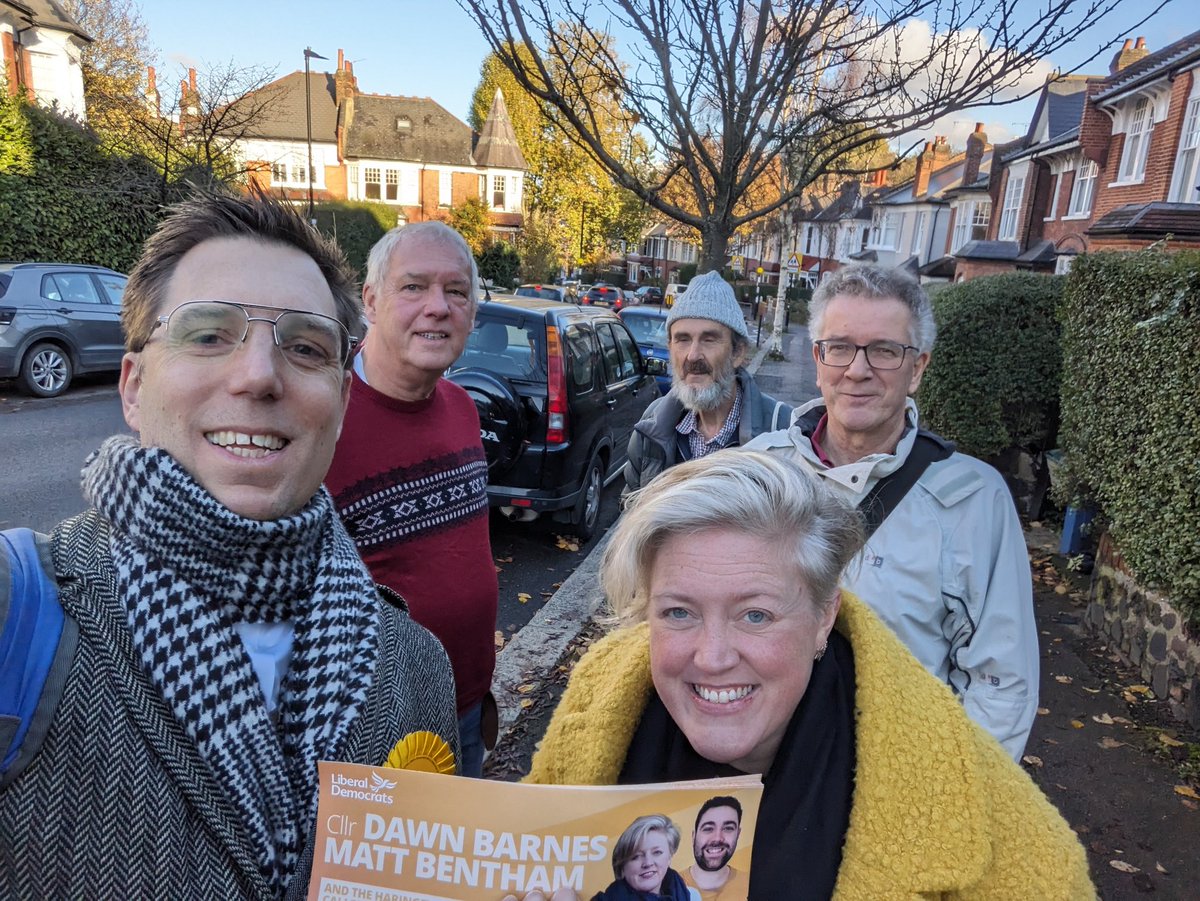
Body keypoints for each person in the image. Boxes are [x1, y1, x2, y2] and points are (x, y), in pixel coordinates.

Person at [0, 191, 459, 899]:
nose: (258, 375)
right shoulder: (18, 610)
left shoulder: (417, 667)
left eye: (304, 346)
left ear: (340, 405)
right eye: (208, 333)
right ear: (133, 384)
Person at [527, 451, 1093, 900]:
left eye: (756, 615)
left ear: (825, 618)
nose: (713, 657)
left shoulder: (981, 809)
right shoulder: (599, 703)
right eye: (679, 612)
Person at [746, 264, 1039, 760]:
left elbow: (1002, 683)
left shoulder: (972, 499)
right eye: (839, 347)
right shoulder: (758, 471)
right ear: (818, 360)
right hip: (762, 773)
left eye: (884, 350)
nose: (857, 370)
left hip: (899, 780)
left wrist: (952, 799)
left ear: (917, 368)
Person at [325, 221, 498, 777]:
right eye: (414, 287)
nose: (438, 307)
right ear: (371, 300)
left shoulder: (462, 408)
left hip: (466, 707)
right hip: (373, 729)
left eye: (456, 291)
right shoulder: (319, 419)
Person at [623, 271, 789, 493]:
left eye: (709, 339)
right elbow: (631, 516)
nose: (693, 355)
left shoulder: (782, 430)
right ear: (670, 348)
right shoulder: (652, 426)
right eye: (682, 339)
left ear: (738, 353)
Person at [592, 815, 694, 901]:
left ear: (669, 856)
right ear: (622, 866)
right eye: (636, 857)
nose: (648, 863)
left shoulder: (684, 894)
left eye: (657, 852)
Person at [683, 797, 748, 900]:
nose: (717, 838)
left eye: (728, 828)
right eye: (708, 829)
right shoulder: (663, 887)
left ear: (738, 834)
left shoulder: (752, 884)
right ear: (694, 836)